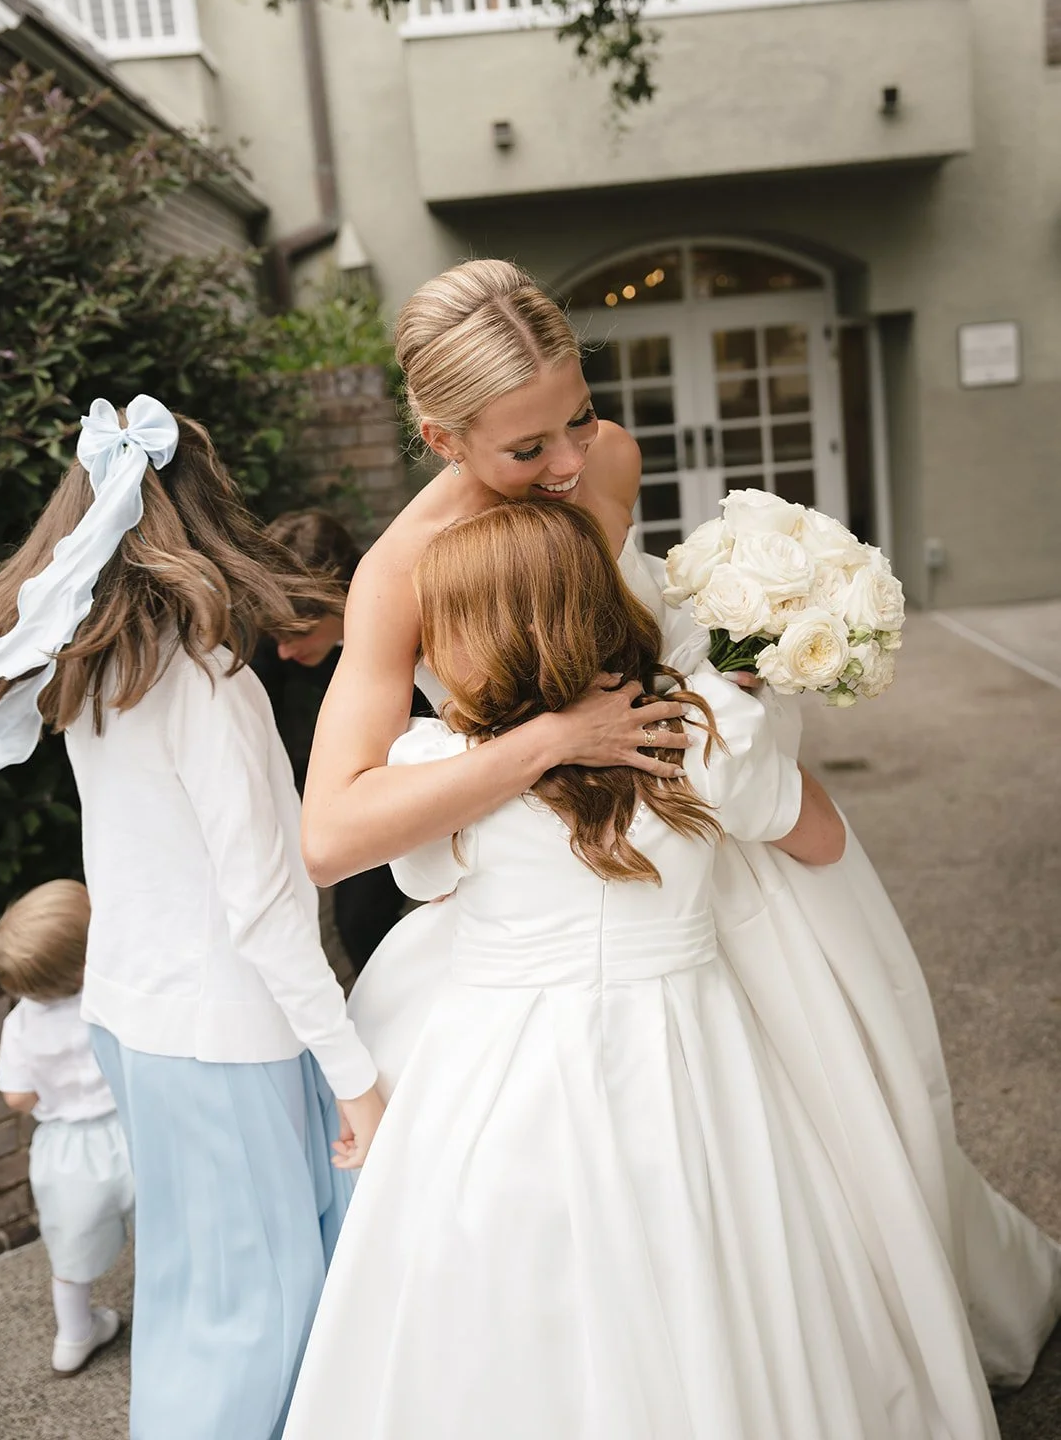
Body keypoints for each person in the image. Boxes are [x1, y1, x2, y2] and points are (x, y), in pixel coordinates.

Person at [302, 258, 1061, 1388]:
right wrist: (550, 742)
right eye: (526, 450)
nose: (570, 462)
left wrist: (744, 679)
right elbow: (332, 830)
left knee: (836, 1134)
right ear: (438, 436)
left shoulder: (606, 460)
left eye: (580, 415)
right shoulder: (400, 572)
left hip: (704, 840)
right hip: (555, 873)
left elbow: (636, 629)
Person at [285, 499, 1004, 1440]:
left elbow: (425, 883)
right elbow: (820, 842)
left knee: (503, 1283)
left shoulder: (440, 766)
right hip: (691, 1044)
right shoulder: (703, 731)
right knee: (720, 1257)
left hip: (502, 1068)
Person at [0, 396, 383, 1440]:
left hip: (136, 1022)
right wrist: (354, 1072)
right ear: (211, 516)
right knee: (261, 1309)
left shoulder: (93, 676)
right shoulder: (207, 688)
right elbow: (263, 906)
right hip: (224, 1034)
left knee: (194, 1296)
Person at [252, 508, 427, 975]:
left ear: (340, 595)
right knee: (355, 923)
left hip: (406, 770)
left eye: (301, 634)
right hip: (317, 785)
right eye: (277, 638)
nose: (285, 651)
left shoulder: (401, 611)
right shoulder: (275, 639)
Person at [0, 879, 133, 1377]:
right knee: (164, 1228)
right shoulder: (111, 998)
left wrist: (45, 1093)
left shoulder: (20, 1026)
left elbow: (16, 1096)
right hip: (135, 1131)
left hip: (69, 1155)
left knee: (70, 1250)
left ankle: (74, 1335)